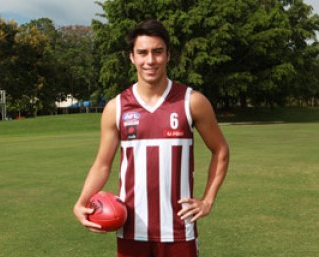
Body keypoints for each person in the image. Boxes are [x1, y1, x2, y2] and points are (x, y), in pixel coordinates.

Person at [73, 19, 229, 257]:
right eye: (142, 53)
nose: (150, 60)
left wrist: (207, 200)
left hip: (179, 230)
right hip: (131, 229)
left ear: (168, 55)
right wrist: (81, 201)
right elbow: (102, 164)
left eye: (157, 52)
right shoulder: (117, 108)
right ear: (132, 57)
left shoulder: (192, 102)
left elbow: (221, 151)